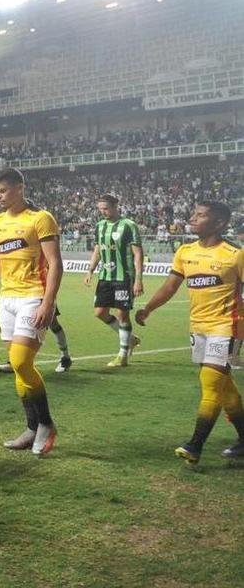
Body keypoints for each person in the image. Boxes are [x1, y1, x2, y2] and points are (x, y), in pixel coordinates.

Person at [136, 201, 244, 465]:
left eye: (201, 215)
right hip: (199, 327)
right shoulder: (185, 251)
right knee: (224, 387)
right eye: (194, 214)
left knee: (209, 382)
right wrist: (148, 308)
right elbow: (171, 285)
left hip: (227, 326)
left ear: (219, 223)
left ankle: (195, 445)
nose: (193, 219)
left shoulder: (235, 254)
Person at [0, 168, 62, 456]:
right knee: (17, 366)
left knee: (21, 361)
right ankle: (31, 427)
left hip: (32, 297)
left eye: (3, 191)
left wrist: (48, 303)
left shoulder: (40, 219)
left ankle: (46, 424)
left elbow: (55, 263)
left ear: (20, 188)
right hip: (7, 300)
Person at [83, 194, 144, 367]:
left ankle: (123, 355)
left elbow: (138, 254)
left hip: (124, 276)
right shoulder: (99, 226)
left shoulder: (129, 225)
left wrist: (138, 279)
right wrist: (90, 270)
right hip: (105, 276)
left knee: (122, 314)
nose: (103, 212)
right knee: (100, 313)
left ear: (116, 206)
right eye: (100, 209)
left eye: (106, 208)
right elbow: (97, 249)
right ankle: (130, 339)